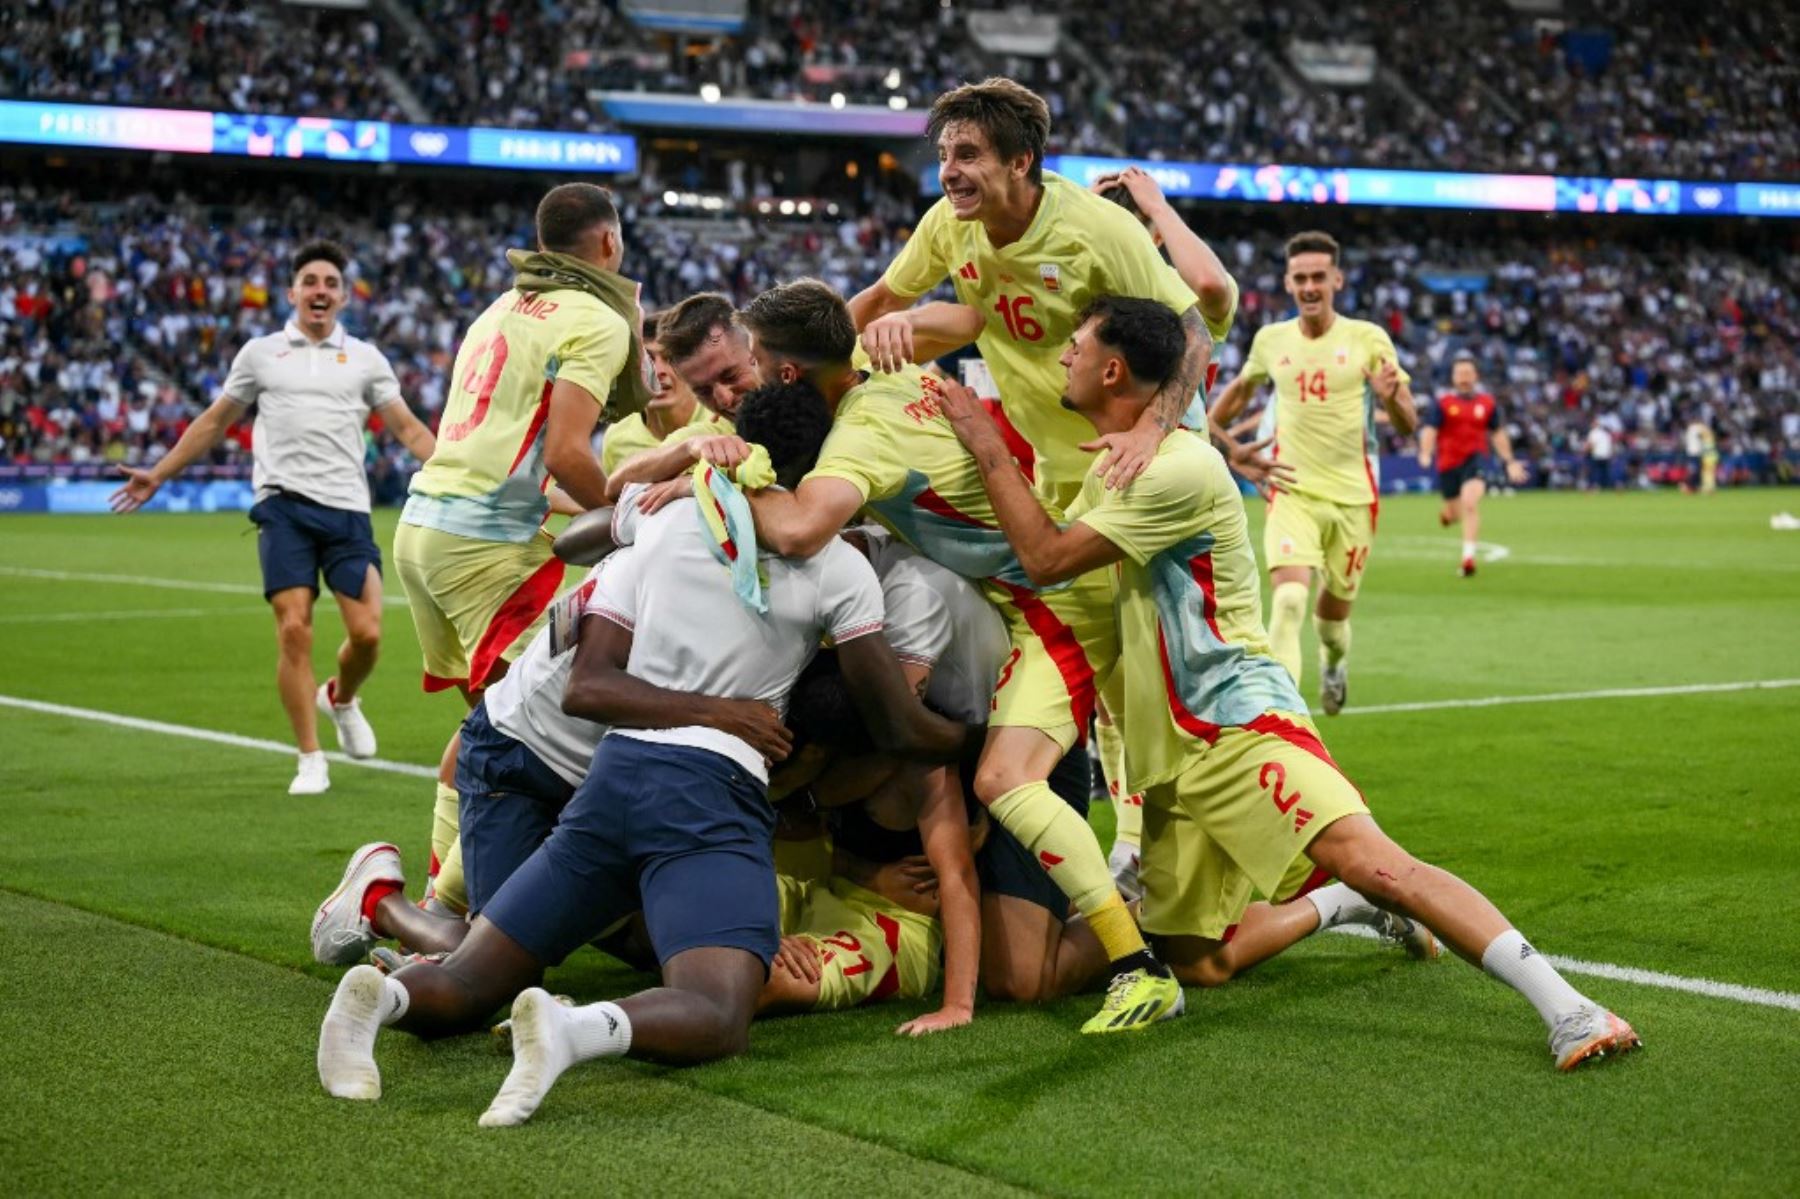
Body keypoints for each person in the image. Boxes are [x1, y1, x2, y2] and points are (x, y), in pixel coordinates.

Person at [939, 295, 1639, 1067]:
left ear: (1113, 369)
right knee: (1200, 959)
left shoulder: (1171, 470)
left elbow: (1044, 557)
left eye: (1074, 346)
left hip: (1238, 722)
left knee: (1378, 860)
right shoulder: (1124, 456)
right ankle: (1339, 905)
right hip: (1172, 748)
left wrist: (984, 442)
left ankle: (1572, 1008)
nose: (1062, 356)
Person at [316, 381, 981, 1124]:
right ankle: (574, 1029)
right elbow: (895, 723)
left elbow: (594, 633)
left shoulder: (664, 521)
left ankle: (386, 998)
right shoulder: (837, 567)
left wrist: (669, 479)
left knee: (476, 977)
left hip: (609, 777)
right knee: (718, 1006)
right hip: (708, 792)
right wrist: (968, 739)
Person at [713, 279, 1183, 1033]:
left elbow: (799, 530)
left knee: (1005, 817)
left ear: (789, 374)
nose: (749, 380)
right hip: (1010, 625)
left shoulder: (860, 442)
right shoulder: (884, 367)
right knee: (1013, 960)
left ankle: (1148, 942)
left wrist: (735, 469)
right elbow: (969, 313)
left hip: (1046, 619)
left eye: (757, 364)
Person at [393, 182, 654, 912]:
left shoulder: (499, 308)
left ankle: (438, 901)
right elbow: (570, 453)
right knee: (553, 728)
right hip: (482, 548)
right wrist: (635, 517)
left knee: (490, 731)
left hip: (425, 529)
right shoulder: (595, 320)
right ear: (608, 243)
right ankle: (454, 917)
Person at [109, 240, 436, 795]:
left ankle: (341, 698)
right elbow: (215, 422)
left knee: (369, 634)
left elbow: (407, 429)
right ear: (292, 293)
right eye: (310, 281)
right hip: (282, 507)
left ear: (343, 296)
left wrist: (458, 470)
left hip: (348, 510)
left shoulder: (365, 359)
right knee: (293, 629)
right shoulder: (261, 354)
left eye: (330, 283)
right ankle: (310, 757)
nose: (320, 291)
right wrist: (160, 473)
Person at [849, 77, 1225, 506]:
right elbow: (881, 299)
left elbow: (1195, 332)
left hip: (1144, 460)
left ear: (1020, 162)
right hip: (1057, 464)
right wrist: (813, 366)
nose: (948, 172)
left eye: (968, 155)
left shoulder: (1098, 230)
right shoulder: (946, 224)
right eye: (943, 156)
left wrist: (1149, 433)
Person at [1208, 231, 1418, 713]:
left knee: (1330, 619)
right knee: (1286, 604)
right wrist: (1219, 439)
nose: (1309, 286)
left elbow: (1408, 421)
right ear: (1288, 282)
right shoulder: (1271, 340)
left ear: (1336, 280)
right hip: (1291, 490)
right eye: (1300, 278)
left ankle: (1333, 661)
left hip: (1354, 497)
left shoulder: (1367, 339)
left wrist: (1390, 396)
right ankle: (1288, 720)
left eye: (1318, 277)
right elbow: (1239, 391)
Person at [1418, 355, 1528, 577]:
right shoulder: (1443, 404)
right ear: (1453, 377)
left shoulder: (1487, 404)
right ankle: (1448, 514)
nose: (1464, 378)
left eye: (1468, 373)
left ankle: (1468, 558)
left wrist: (1509, 461)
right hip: (1448, 464)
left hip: (1475, 459)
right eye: (1460, 374)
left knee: (1470, 503)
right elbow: (1430, 430)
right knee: (1454, 514)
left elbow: (1498, 433)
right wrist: (1425, 452)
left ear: (1476, 376)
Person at [599, 322, 731, 475]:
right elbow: (616, 497)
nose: (658, 371)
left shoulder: (722, 419)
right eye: (647, 360)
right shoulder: (617, 439)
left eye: (671, 359)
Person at [1684, 417, 1718, 494]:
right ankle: (1691, 487)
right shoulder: (1697, 428)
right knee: (1698, 471)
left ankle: (1693, 487)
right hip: (1698, 453)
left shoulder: (1692, 429)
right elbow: (1703, 435)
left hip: (1698, 453)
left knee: (1700, 471)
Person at [1584, 417, 1617, 491]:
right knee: (1605, 473)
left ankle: (1595, 487)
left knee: (1595, 472)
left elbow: (1591, 445)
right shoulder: (1605, 433)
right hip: (1606, 456)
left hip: (1597, 455)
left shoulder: (1593, 432)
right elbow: (1610, 445)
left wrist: (1585, 452)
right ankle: (1607, 488)